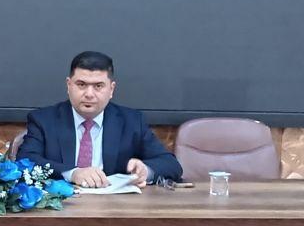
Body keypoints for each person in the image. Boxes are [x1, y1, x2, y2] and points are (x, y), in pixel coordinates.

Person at [17, 51, 182, 188]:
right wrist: (72, 173)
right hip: (62, 207)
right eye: (81, 84)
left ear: (111, 89)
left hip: (115, 209)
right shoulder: (44, 120)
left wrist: (146, 170)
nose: (89, 94)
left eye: (98, 86)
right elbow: (25, 161)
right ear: (69, 85)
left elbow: (171, 164)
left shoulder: (131, 121)